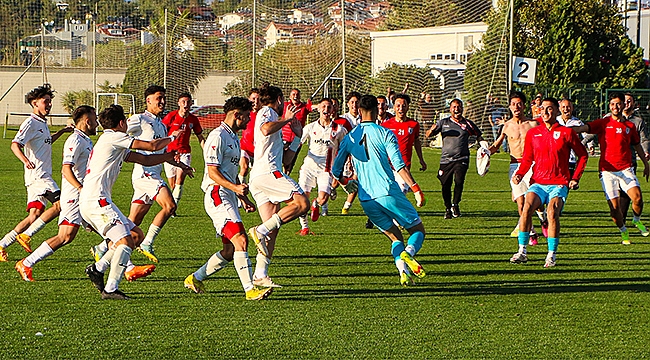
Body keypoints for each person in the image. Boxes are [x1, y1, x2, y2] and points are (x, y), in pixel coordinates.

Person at [82, 104, 181, 300]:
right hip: (96, 200)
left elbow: (144, 160)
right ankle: (110, 289)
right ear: (121, 123)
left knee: (136, 235)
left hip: (98, 199)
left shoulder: (112, 141)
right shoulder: (114, 137)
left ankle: (98, 268)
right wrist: (172, 138)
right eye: (125, 121)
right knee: (125, 241)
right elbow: (151, 146)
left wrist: (169, 157)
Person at [89, 85, 193, 264]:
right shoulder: (138, 119)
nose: (162, 101)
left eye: (163, 98)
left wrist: (180, 165)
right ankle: (147, 243)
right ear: (148, 100)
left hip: (151, 171)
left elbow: (161, 154)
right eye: (158, 98)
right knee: (170, 206)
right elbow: (120, 133)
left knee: (131, 224)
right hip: (145, 175)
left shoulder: (160, 124)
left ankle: (103, 247)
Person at [183, 97, 273, 300]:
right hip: (217, 193)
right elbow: (213, 172)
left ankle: (195, 278)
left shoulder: (233, 137)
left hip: (228, 194)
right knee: (241, 239)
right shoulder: (218, 136)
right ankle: (250, 289)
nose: (249, 121)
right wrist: (234, 187)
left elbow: (228, 173)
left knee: (230, 250)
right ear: (237, 115)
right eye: (247, 117)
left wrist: (242, 198)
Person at [332, 94, 427, 286]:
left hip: (367, 200)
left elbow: (335, 169)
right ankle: (408, 254)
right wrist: (416, 188)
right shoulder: (385, 133)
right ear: (377, 111)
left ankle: (403, 272)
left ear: (359, 111)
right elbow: (399, 165)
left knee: (394, 236)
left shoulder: (350, 137)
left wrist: (346, 182)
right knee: (418, 229)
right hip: (388, 192)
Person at [15, 106, 97, 281]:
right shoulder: (75, 140)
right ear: (87, 121)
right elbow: (66, 170)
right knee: (65, 236)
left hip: (86, 194)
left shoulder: (86, 140)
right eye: (95, 119)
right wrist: (82, 189)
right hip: (74, 196)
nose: (97, 123)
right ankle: (26, 262)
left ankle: (120, 262)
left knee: (107, 228)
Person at [510, 97, 588, 267]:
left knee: (552, 212)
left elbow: (583, 155)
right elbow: (528, 158)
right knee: (526, 209)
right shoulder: (533, 133)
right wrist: (520, 173)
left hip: (559, 183)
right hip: (538, 183)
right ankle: (522, 251)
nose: (545, 112)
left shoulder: (567, 133)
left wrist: (575, 178)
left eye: (549, 109)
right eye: (542, 109)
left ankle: (551, 255)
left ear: (556, 111)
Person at [247, 83, 309, 288]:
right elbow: (265, 129)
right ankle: (259, 230)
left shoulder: (276, 119)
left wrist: (298, 135)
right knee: (302, 204)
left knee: (273, 229)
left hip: (262, 176)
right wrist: (286, 119)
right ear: (280, 100)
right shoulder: (267, 113)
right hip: (267, 173)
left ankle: (260, 275)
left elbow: (287, 159)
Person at [0, 84, 72, 261]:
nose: (48, 105)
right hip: (39, 177)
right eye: (45, 102)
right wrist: (25, 160)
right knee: (61, 204)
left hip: (38, 177)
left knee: (34, 215)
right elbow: (15, 144)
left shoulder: (42, 123)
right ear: (34, 103)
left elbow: (46, 141)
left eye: (49, 102)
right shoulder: (31, 122)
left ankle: (2, 245)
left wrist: (62, 131)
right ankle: (27, 235)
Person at [571, 92, 650, 245]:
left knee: (638, 198)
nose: (615, 106)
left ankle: (636, 220)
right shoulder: (603, 123)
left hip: (626, 169)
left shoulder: (630, 126)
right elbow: (585, 128)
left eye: (618, 103)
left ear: (623, 105)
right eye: (612, 104)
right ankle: (623, 231)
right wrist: (568, 130)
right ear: (609, 106)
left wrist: (646, 165)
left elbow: (637, 145)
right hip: (607, 172)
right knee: (614, 210)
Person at [489, 92, 544, 244]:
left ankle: (543, 218)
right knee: (520, 202)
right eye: (513, 104)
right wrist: (487, 152)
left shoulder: (533, 124)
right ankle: (531, 232)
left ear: (524, 106)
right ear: (510, 107)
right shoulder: (506, 126)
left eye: (519, 104)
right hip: (515, 165)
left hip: (532, 165)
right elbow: (497, 145)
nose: (516, 107)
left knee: (535, 201)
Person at [425, 99, 484, 219]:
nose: (456, 109)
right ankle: (447, 208)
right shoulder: (443, 122)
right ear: (450, 108)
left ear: (462, 108)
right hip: (446, 160)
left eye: (459, 106)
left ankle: (455, 204)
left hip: (462, 158)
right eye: (454, 107)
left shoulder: (468, 124)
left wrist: (484, 147)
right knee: (445, 184)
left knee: (459, 180)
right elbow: (428, 135)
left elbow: (479, 136)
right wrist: (431, 130)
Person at [297, 98, 347, 235]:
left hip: (326, 169)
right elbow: (298, 144)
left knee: (323, 198)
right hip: (309, 167)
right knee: (302, 200)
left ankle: (316, 204)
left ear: (333, 110)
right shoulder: (310, 127)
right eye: (323, 106)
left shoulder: (339, 129)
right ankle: (305, 227)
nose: (326, 109)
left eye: (329, 107)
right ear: (318, 109)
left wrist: (344, 168)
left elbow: (345, 149)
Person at [162, 92, 205, 208]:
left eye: (188, 102)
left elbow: (200, 137)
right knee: (172, 184)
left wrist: (206, 152)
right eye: (183, 102)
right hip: (170, 153)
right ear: (179, 103)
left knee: (180, 178)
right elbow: (161, 133)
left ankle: (173, 208)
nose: (185, 104)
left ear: (191, 103)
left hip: (185, 153)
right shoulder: (171, 117)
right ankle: (172, 205)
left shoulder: (193, 120)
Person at [619, 92, 650, 223]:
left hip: (629, 161)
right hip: (611, 163)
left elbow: (644, 139)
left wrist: (646, 151)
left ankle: (623, 219)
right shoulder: (610, 118)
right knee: (616, 193)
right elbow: (594, 131)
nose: (627, 104)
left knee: (627, 191)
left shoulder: (638, 122)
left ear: (634, 104)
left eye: (629, 101)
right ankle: (620, 218)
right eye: (624, 101)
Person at [281, 88, 314, 174]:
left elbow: (314, 107)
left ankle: (286, 177)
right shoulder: (285, 106)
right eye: (293, 94)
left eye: (297, 94)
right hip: (284, 138)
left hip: (296, 140)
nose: (296, 96)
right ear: (290, 96)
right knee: (280, 160)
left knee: (290, 163)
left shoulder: (304, 107)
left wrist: (322, 106)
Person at [339, 91, 362, 214]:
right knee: (338, 177)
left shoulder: (364, 118)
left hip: (360, 153)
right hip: (345, 153)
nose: (354, 105)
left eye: (357, 102)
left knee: (357, 178)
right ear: (347, 104)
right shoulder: (343, 119)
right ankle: (331, 190)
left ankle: (346, 206)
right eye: (352, 102)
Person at [238, 88, 261, 184]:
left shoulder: (264, 114)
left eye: (258, 99)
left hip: (258, 150)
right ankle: (240, 194)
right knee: (244, 168)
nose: (255, 102)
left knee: (257, 176)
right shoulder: (246, 113)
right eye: (253, 99)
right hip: (245, 147)